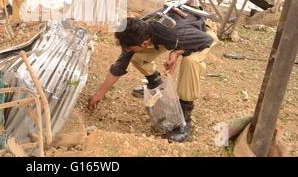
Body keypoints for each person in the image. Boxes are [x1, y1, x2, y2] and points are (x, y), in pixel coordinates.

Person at [88, 12, 218, 143]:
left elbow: (206, 40)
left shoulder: (177, 35)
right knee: (136, 55)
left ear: (144, 43)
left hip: (203, 33)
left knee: (191, 61)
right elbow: (119, 67)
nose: (125, 49)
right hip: (175, 35)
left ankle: (185, 117)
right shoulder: (139, 30)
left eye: (128, 47)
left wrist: (177, 52)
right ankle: (156, 86)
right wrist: (99, 94)